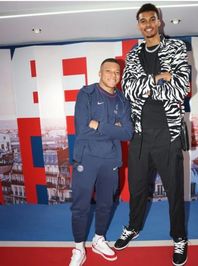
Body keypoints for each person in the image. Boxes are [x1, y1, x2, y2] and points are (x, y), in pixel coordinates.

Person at [114, 3, 190, 266]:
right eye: (142, 20)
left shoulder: (177, 48)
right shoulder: (133, 54)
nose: (147, 23)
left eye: (151, 19)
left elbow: (182, 89)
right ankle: (133, 226)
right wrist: (159, 78)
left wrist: (146, 85)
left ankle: (179, 237)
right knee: (136, 189)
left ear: (159, 22)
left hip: (168, 135)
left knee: (174, 192)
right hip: (139, 135)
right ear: (139, 25)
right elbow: (128, 89)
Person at [69, 58, 133, 266]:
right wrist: (113, 128)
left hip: (111, 160)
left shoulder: (123, 101)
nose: (113, 75)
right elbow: (83, 128)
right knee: (81, 206)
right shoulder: (86, 94)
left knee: (106, 204)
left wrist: (100, 125)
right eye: (109, 71)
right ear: (99, 72)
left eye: (117, 72)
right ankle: (79, 248)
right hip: (86, 158)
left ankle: (98, 239)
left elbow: (127, 133)